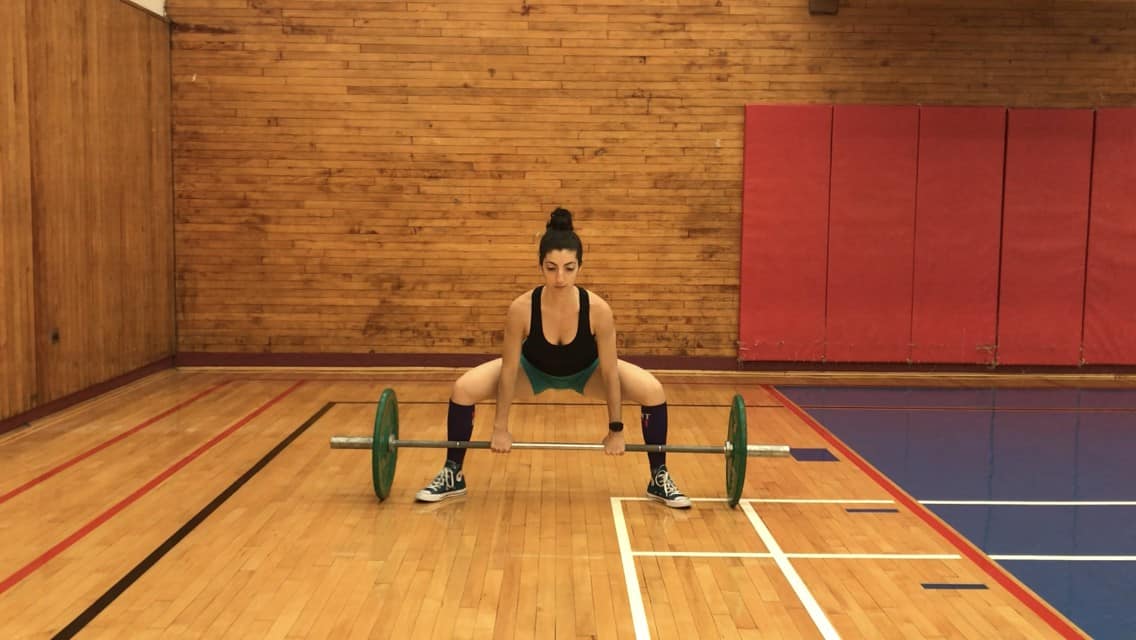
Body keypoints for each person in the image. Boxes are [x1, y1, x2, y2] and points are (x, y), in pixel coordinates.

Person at [415, 207, 691, 508]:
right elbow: (508, 370)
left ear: (580, 267)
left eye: (569, 268)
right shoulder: (521, 308)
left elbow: (610, 373)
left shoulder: (599, 310)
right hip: (531, 371)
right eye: (551, 267)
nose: (560, 277)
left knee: (653, 390)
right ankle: (453, 472)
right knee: (463, 389)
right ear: (540, 266)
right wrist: (500, 427)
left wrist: (615, 430)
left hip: (588, 374)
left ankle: (658, 476)